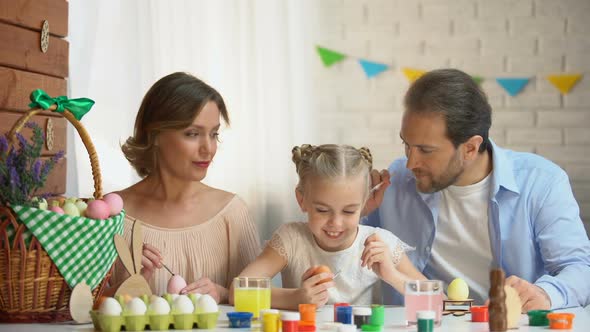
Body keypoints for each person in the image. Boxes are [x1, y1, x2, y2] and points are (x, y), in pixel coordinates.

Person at [364, 68, 590, 311]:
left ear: (470, 148)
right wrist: (356, 210)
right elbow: (345, 244)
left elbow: (579, 267)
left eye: (425, 150)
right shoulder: (396, 182)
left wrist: (545, 293)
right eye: (406, 145)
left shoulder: (541, 182)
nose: (410, 163)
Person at [110, 72, 260, 303]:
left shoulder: (232, 213)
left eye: (214, 134)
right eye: (192, 134)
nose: (208, 148)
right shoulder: (111, 214)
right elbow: (80, 311)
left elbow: (258, 302)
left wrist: (222, 294)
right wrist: (128, 284)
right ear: (155, 135)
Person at [234, 144, 426, 310]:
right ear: (302, 200)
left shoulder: (379, 243)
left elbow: (437, 300)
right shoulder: (291, 239)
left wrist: (392, 275)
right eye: (322, 210)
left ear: (364, 203)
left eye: (349, 211)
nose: (336, 223)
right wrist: (296, 298)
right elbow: (237, 291)